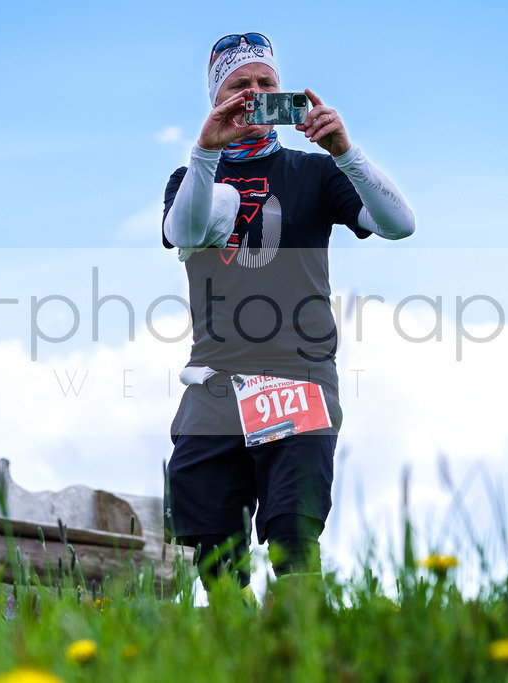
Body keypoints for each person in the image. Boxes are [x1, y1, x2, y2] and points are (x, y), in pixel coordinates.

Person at [161, 33, 415, 593]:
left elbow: (400, 224)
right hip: (214, 382)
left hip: (298, 373)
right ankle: (234, 650)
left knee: (293, 532)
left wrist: (345, 150)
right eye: (238, 87)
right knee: (212, 539)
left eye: (266, 85)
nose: (254, 95)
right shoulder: (189, 180)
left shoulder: (315, 173)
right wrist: (206, 150)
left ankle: (298, 645)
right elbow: (181, 231)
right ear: (215, 100)